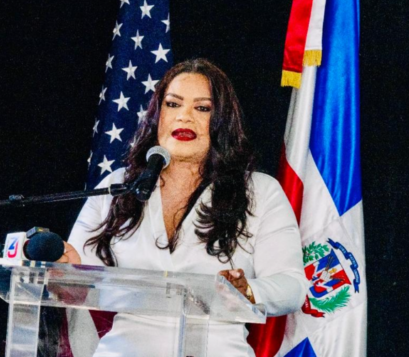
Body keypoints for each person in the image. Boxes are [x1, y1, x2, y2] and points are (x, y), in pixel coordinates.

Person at [59, 58, 308, 357]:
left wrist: (248, 290)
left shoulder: (259, 191)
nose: (184, 117)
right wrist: (62, 266)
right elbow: (76, 280)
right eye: (173, 104)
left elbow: (292, 287)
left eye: (202, 108)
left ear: (222, 120)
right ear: (157, 116)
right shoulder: (119, 186)